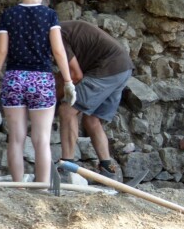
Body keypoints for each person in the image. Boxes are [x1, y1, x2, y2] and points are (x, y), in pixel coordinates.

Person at [0, 0, 75, 183]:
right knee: (42, 140)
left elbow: (1, 51)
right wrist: (68, 81)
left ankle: (18, 188)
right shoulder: (49, 16)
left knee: (16, 139)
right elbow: (58, 51)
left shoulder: (9, 15)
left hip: (14, 79)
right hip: (41, 81)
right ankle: (40, 188)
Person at [56, 20, 134, 179]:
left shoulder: (55, 36)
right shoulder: (64, 29)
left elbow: (75, 75)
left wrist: (52, 99)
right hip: (122, 68)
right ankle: (108, 170)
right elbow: (66, 74)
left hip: (106, 68)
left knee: (67, 109)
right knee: (92, 120)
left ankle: (67, 167)